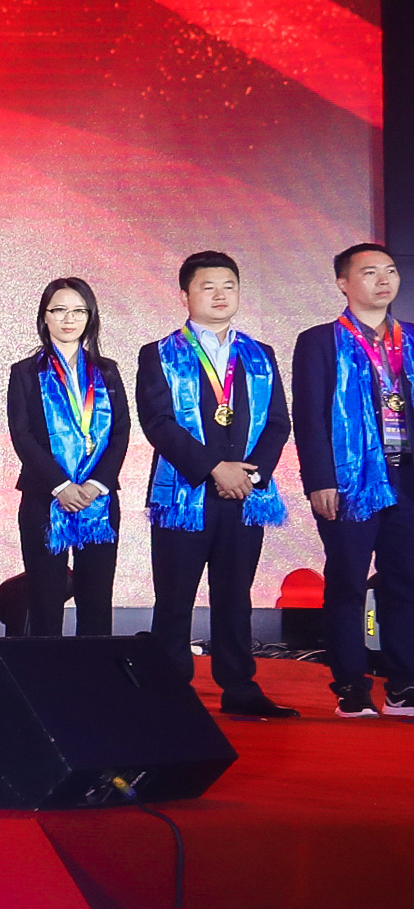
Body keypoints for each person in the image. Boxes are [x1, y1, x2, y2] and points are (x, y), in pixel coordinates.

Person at [137, 249, 295, 718]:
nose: (220, 294)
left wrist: (250, 473)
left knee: (235, 596)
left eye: (229, 286)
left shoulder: (260, 354)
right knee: (175, 597)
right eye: (208, 286)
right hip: (183, 495)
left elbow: (278, 423)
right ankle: (170, 690)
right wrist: (214, 469)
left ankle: (240, 688)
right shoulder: (159, 353)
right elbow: (158, 422)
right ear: (185, 295)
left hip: (245, 495)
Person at [292, 242, 414, 718]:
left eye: (390, 270)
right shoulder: (320, 341)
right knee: (347, 581)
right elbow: (309, 417)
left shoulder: (411, 339)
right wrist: (319, 480)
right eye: (369, 272)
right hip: (350, 481)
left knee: (405, 581)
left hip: (406, 477)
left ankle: (403, 684)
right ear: (343, 283)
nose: (383, 280)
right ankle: (351, 686)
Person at [7, 277, 128, 638]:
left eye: (78, 311)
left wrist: (95, 484)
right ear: (44, 317)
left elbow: (120, 432)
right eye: (59, 310)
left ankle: (93, 671)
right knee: (45, 601)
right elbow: (22, 435)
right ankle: (47, 672)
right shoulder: (25, 372)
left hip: (98, 499)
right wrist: (61, 485)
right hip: (44, 498)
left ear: (91, 317)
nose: (68, 319)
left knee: (97, 601)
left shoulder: (107, 371)